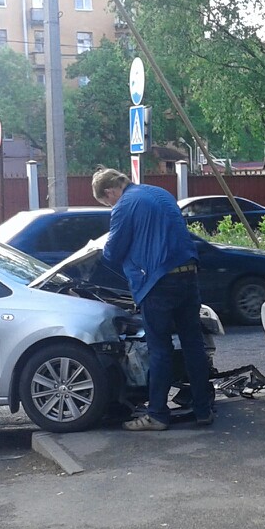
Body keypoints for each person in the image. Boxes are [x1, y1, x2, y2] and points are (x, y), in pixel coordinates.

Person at [93, 167, 214, 430]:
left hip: (159, 282)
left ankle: (157, 415)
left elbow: (112, 253)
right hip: (188, 274)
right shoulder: (160, 193)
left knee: (160, 349)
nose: (109, 205)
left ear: (109, 192)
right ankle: (203, 410)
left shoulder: (124, 205)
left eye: (106, 202)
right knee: (193, 344)